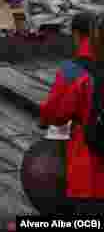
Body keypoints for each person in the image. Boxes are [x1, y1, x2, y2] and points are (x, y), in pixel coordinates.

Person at [39, 12, 104, 213]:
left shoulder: (74, 70)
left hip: (91, 166)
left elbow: (55, 114)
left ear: (76, 35)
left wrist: (45, 119)